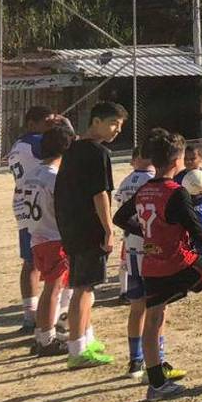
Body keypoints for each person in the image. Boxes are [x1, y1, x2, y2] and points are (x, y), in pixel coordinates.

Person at [113, 129, 202, 400]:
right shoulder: (176, 192)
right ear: (176, 161)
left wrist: (147, 234)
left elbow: (120, 218)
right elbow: (196, 231)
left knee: (154, 317)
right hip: (177, 263)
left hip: (151, 264)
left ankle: (157, 383)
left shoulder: (145, 189)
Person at [55, 102, 128, 369]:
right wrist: (108, 229)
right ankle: (77, 350)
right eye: (113, 124)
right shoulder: (98, 152)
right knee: (83, 289)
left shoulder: (72, 149)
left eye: (120, 126)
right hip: (89, 229)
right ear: (96, 121)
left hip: (72, 227)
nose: (117, 130)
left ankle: (85, 339)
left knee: (85, 287)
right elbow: (100, 195)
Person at [9, 106, 61, 332]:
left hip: (25, 200)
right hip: (39, 198)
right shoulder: (36, 142)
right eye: (47, 122)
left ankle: (29, 315)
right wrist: (65, 129)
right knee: (51, 258)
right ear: (32, 123)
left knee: (30, 260)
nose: (51, 126)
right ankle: (48, 315)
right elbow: (62, 147)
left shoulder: (18, 145)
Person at [25, 125, 74, 357]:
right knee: (53, 290)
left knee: (51, 289)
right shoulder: (56, 178)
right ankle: (46, 339)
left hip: (37, 236)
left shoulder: (31, 175)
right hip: (55, 237)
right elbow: (65, 210)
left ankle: (42, 335)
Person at [116, 147, 154, 304]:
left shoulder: (126, 180)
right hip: (146, 228)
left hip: (128, 226)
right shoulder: (152, 179)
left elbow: (119, 201)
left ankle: (125, 292)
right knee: (148, 261)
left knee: (128, 261)